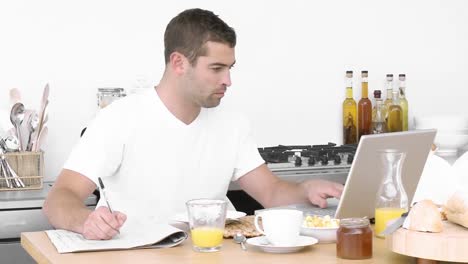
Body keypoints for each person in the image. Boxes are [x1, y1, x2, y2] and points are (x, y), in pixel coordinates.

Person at [43, 8, 343, 240]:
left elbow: (271, 192)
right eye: (216, 68)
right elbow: (59, 199)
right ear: (178, 63)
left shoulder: (233, 124)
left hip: (211, 251)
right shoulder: (119, 119)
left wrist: (305, 189)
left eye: (229, 68)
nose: (228, 81)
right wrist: (86, 222)